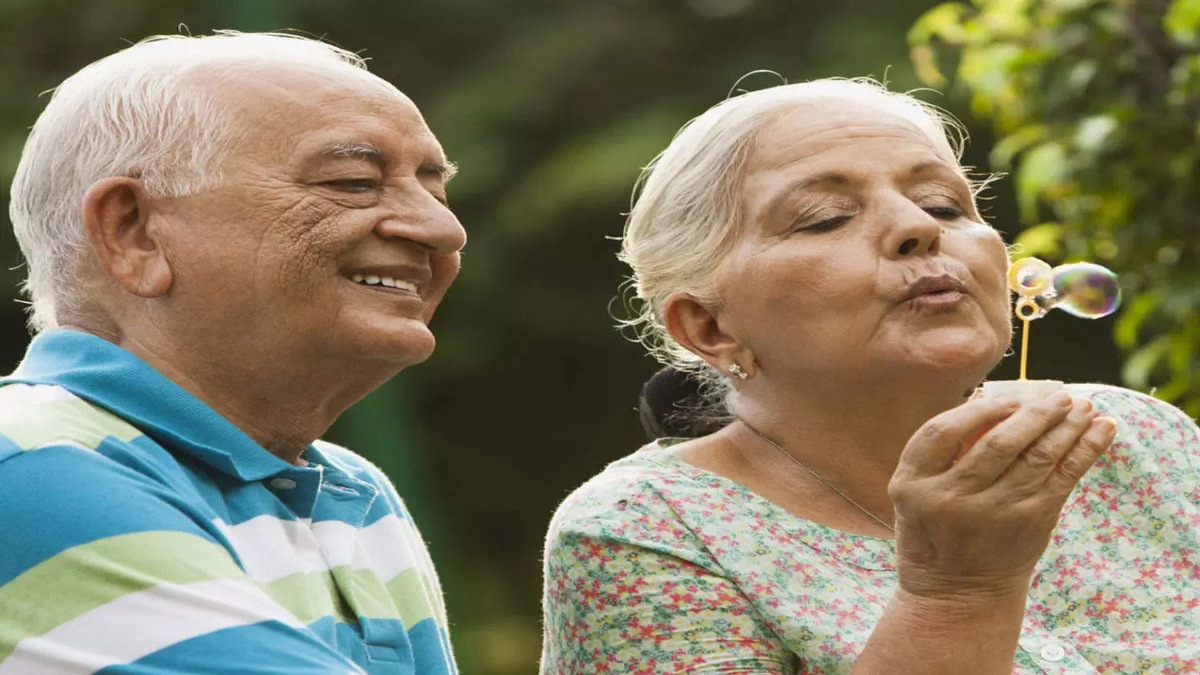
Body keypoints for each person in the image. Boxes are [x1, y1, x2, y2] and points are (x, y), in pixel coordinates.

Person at [541, 78, 1200, 673]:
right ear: (709, 328)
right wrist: (955, 591)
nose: (919, 227)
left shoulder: (1133, 436)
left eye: (944, 206)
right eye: (826, 217)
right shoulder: (646, 531)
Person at [0, 32, 465, 674]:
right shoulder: (26, 464)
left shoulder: (354, 492)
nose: (444, 229)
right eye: (355, 181)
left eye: (433, 190)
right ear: (132, 231)